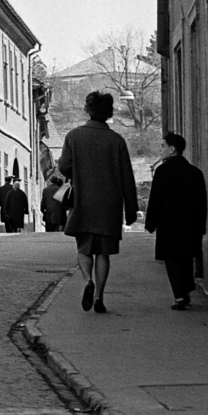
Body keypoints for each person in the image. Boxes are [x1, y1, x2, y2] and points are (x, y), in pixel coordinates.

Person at [58, 89, 139, 314]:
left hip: (84, 201)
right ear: (108, 113)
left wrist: (77, 170)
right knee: (103, 252)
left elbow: (63, 166)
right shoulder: (117, 141)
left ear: (88, 110)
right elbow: (127, 178)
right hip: (110, 206)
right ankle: (99, 297)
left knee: (84, 248)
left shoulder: (74, 136)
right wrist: (131, 209)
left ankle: (86, 281)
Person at [144, 130, 208, 309]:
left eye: (162, 146)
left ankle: (179, 296)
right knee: (186, 257)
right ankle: (187, 289)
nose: (160, 150)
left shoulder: (163, 171)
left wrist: (150, 223)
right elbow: (202, 201)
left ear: (172, 149)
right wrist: (201, 225)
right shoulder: (195, 172)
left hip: (169, 224)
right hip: (191, 223)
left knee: (172, 259)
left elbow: (156, 198)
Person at [39, 169, 68, 233]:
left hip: (49, 212)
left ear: (51, 181)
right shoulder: (60, 189)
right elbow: (63, 202)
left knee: (49, 230)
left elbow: (43, 201)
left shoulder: (45, 190)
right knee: (58, 229)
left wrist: (42, 209)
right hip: (59, 213)